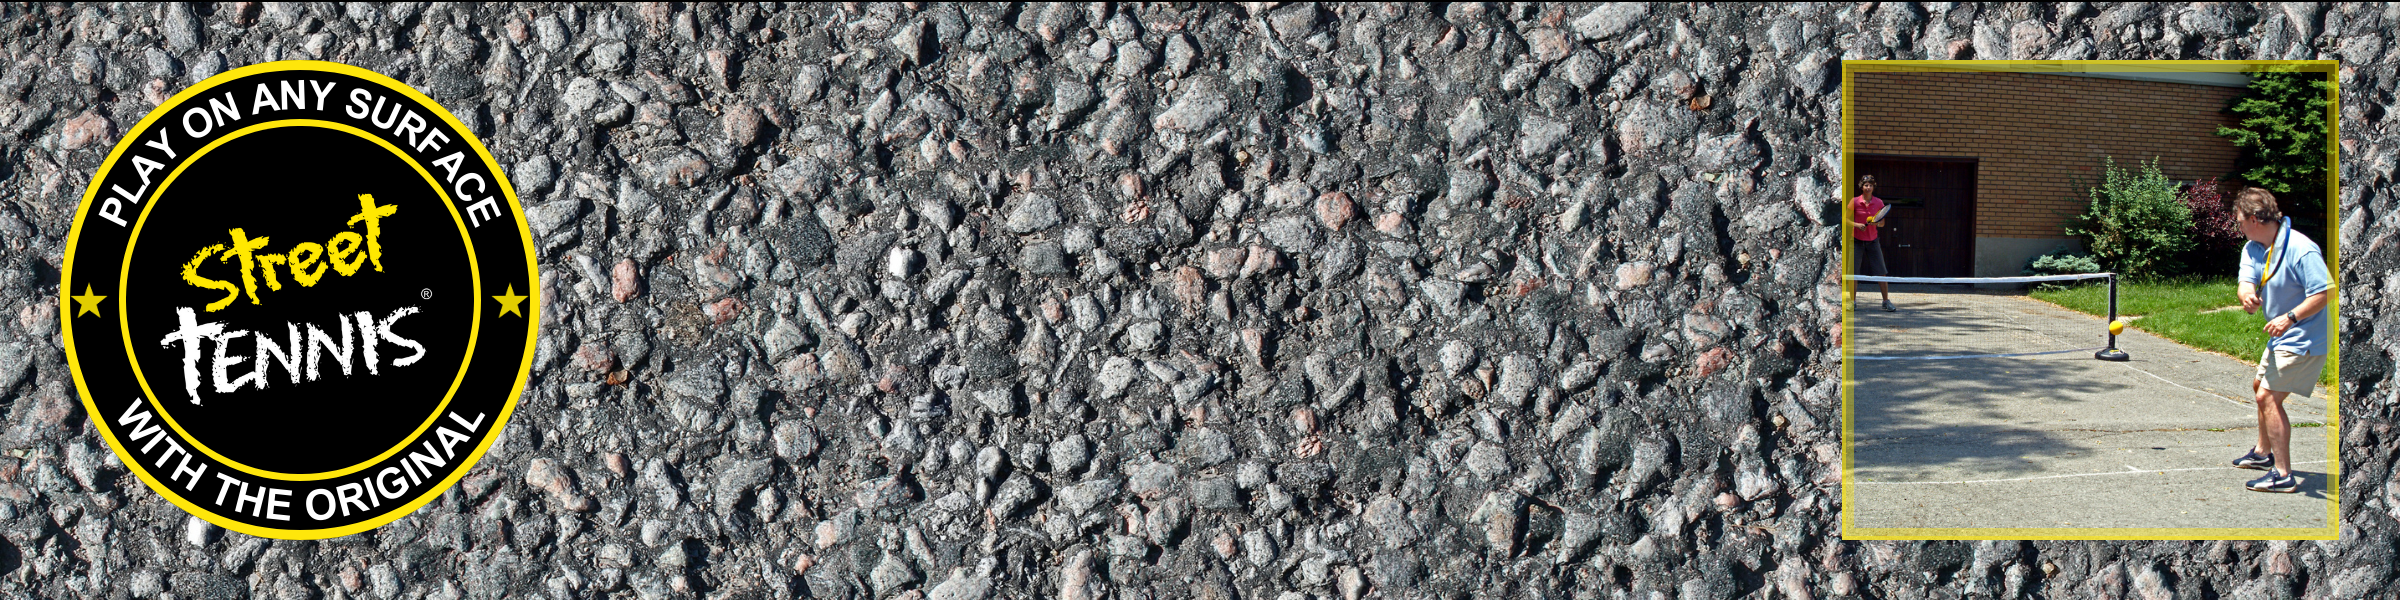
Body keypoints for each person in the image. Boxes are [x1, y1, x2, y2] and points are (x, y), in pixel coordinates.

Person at [2226, 187, 2330, 493]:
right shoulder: (2253, 247)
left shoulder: (2301, 248)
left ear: (2256, 218)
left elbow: (2325, 292)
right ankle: (2262, 454)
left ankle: (2282, 475)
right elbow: (2246, 281)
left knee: (2268, 398)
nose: (2238, 225)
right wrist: (2247, 296)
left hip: (2304, 337)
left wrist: (2290, 317)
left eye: (2241, 220)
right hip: (2280, 338)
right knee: (2260, 387)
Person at [1851, 175, 1894, 311]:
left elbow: (1882, 223)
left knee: (1881, 272)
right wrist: (1857, 224)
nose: (1868, 187)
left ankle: (1886, 301)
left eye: (1870, 185)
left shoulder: (1879, 202)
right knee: (1853, 273)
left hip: (1873, 242)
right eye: (1866, 185)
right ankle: (1852, 301)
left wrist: (1877, 222)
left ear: (1873, 187)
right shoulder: (1854, 202)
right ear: (1862, 187)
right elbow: (1845, 220)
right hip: (1856, 241)